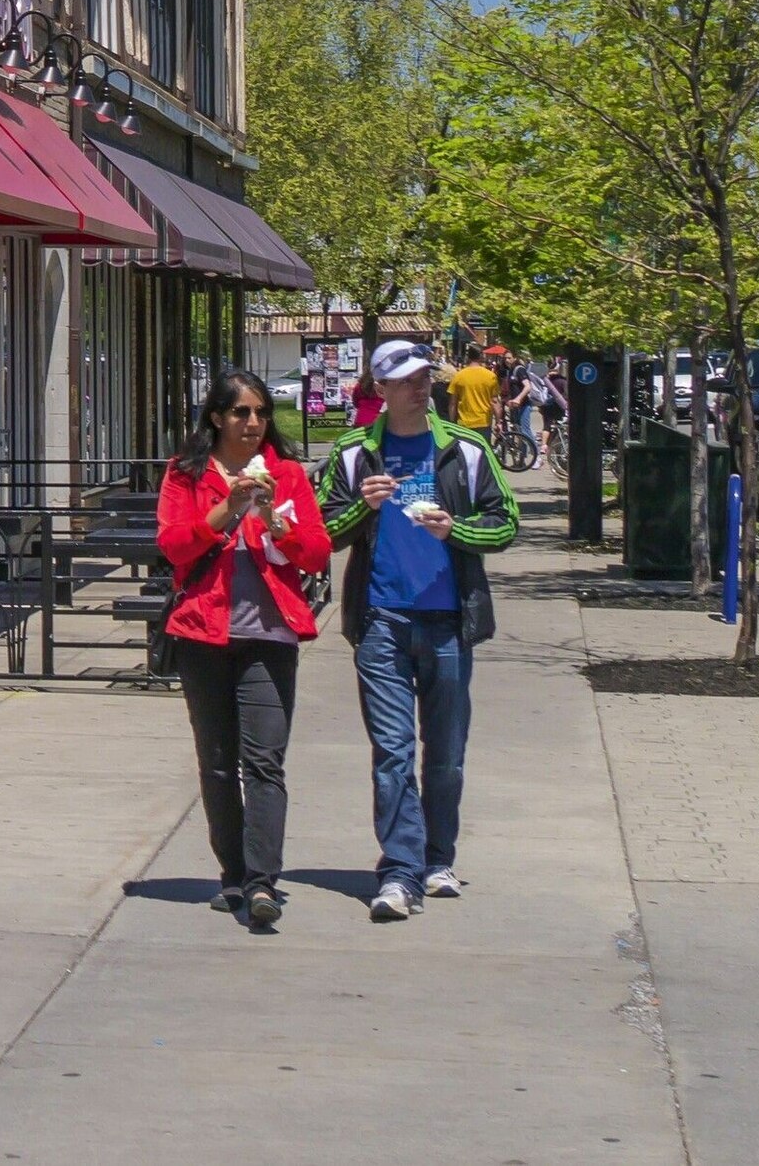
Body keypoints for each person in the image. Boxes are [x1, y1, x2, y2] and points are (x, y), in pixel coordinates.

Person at [320, 338, 520, 921]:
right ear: (380, 388)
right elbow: (322, 530)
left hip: (449, 622)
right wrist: (362, 507)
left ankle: (438, 859)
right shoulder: (355, 452)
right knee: (392, 752)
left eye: (424, 377)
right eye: (406, 379)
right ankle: (400, 871)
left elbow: (505, 522)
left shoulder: (466, 448)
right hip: (380, 621)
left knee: (446, 754)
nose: (419, 386)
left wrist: (456, 530)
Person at [157, 370, 332, 932]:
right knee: (216, 763)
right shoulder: (186, 474)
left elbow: (316, 553)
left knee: (264, 761)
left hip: (268, 638)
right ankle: (232, 874)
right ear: (216, 417)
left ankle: (262, 883)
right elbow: (173, 546)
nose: (253, 422)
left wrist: (274, 519)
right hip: (203, 635)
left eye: (260, 413)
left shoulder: (287, 474)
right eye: (240, 412)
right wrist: (227, 508)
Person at [443, 344, 502, 436]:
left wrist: (452, 422)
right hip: (483, 423)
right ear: (481, 356)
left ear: (468, 357)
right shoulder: (491, 376)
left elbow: (452, 403)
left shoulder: (459, 376)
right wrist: (498, 422)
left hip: (464, 424)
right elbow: (495, 402)